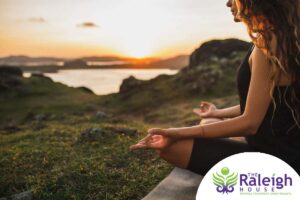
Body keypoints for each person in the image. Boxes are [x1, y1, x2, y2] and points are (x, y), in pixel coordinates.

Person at [129, 0, 300, 175]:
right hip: (286, 148)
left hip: (279, 163)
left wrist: (176, 133)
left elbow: (250, 123)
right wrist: (216, 113)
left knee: (172, 147)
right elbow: (267, 106)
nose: (228, 3)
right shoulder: (286, 38)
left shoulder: (268, 44)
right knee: (209, 122)